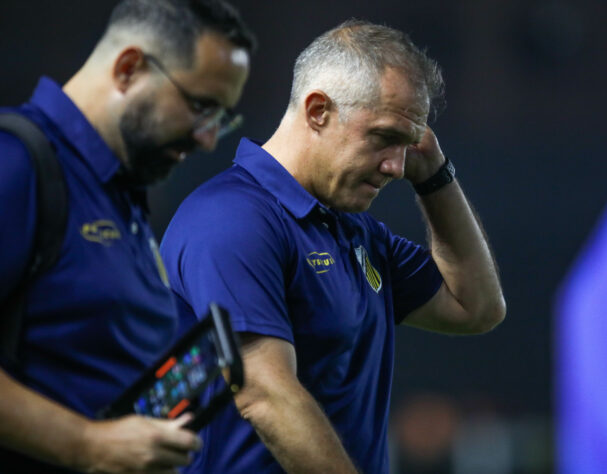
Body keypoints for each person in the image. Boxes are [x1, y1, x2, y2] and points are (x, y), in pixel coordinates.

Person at [161, 20, 505, 473]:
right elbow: (264, 396)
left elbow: (476, 307)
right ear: (318, 110)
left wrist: (436, 175)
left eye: (408, 145)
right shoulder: (231, 220)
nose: (397, 167)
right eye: (384, 137)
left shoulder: (353, 230)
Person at [0, 1, 254, 472]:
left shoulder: (120, 192)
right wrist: (85, 444)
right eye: (201, 107)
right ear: (129, 68)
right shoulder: (17, 163)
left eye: (220, 117)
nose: (207, 139)